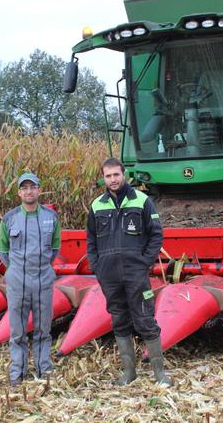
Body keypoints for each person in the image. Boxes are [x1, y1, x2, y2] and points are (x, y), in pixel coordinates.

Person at [86, 158, 172, 386]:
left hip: (136, 273)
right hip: (109, 276)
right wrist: (97, 266)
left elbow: (156, 235)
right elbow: (91, 240)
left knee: (145, 319)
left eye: (116, 175)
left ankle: (159, 374)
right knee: (119, 320)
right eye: (108, 176)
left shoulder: (142, 201)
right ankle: (129, 373)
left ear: (124, 175)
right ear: (103, 178)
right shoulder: (97, 206)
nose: (112, 180)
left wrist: (144, 262)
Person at [0, 172, 61, 386]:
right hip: (17, 281)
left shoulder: (51, 218)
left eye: (32, 187)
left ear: (39, 190)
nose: (28, 191)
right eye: (24, 188)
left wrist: (41, 266)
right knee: (17, 331)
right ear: (19, 193)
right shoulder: (9, 219)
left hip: (43, 279)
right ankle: (18, 372)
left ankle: (44, 370)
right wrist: (17, 270)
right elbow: (3, 250)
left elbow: (55, 247)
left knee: (44, 328)